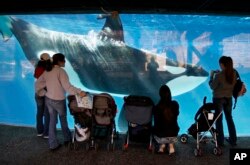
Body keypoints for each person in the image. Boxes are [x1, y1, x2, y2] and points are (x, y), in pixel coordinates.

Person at [36, 53, 87, 151]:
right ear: (59, 61)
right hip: (59, 100)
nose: (65, 62)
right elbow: (67, 87)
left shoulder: (47, 71)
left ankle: (52, 144)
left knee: (52, 121)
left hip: (48, 100)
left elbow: (38, 83)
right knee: (63, 119)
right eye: (64, 60)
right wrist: (79, 92)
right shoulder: (61, 71)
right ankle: (67, 139)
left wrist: (43, 92)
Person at [209, 56, 237, 147]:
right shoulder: (234, 73)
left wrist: (211, 76)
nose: (219, 66)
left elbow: (212, 86)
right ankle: (233, 140)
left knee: (218, 120)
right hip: (229, 98)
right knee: (229, 118)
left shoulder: (218, 76)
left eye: (220, 64)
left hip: (218, 99)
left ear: (222, 64)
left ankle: (220, 141)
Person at [153, 84, 180, 155]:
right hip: (173, 133)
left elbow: (156, 123)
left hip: (160, 135)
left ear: (160, 94)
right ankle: (171, 146)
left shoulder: (157, 107)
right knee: (169, 130)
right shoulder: (175, 104)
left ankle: (162, 146)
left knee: (161, 131)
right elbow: (176, 115)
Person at [34, 53, 51, 139]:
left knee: (39, 112)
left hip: (38, 92)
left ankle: (39, 131)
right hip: (46, 93)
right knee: (47, 113)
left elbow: (36, 77)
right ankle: (47, 133)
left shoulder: (37, 68)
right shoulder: (48, 69)